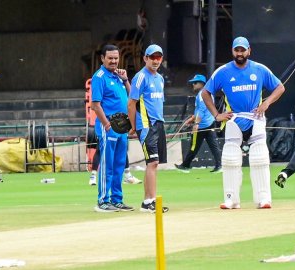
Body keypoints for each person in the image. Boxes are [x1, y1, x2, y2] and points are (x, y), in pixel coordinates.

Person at [201, 36, 285, 209]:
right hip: (234, 118)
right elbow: (205, 93)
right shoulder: (223, 71)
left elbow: (280, 87)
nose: (239, 53)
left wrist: (266, 103)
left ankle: (264, 198)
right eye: (236, 50)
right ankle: (231, 199)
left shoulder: (259, 69)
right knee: (230, 158)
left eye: (242, 50)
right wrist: (217, 115)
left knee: (259, 158)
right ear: (232, 51)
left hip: (255, 118)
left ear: (249, 51)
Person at [91, 44, 134, 212]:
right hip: (108, 126)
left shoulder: (118, 77)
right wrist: (106, 124)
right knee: (107, 164)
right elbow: (95, 105)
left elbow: (132, 98)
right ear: (102, 58)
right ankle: (103, 201)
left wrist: (125, 79)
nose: (114, 61)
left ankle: (117, 199)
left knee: (119, 165)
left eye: (116, 58)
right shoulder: (99, 77)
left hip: (122, 127)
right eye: (110, 58)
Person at [128, 44, 169, 213]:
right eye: (152, 57)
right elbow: (131, 104)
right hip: (146, 125)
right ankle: (150, 201)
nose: (156, 60)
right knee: (152, 162)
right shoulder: (140, 77)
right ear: (145, 58)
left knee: (154, 164)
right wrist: (133, 127)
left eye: (158, 57)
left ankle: (148, 202)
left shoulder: (160, 79)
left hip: (158, 124)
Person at [175, 74, 222, 173]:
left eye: (195, 83)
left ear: (201, 83)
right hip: (208, 123)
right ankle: (219, 165)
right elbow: (203, 110)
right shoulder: (208, 93)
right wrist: (192, 118)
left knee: (194, 146)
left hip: (202, 125)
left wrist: (196, 124)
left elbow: (201, 110)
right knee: (212, 146)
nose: (193, 85)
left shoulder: (202, 94)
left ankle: (186, 165)